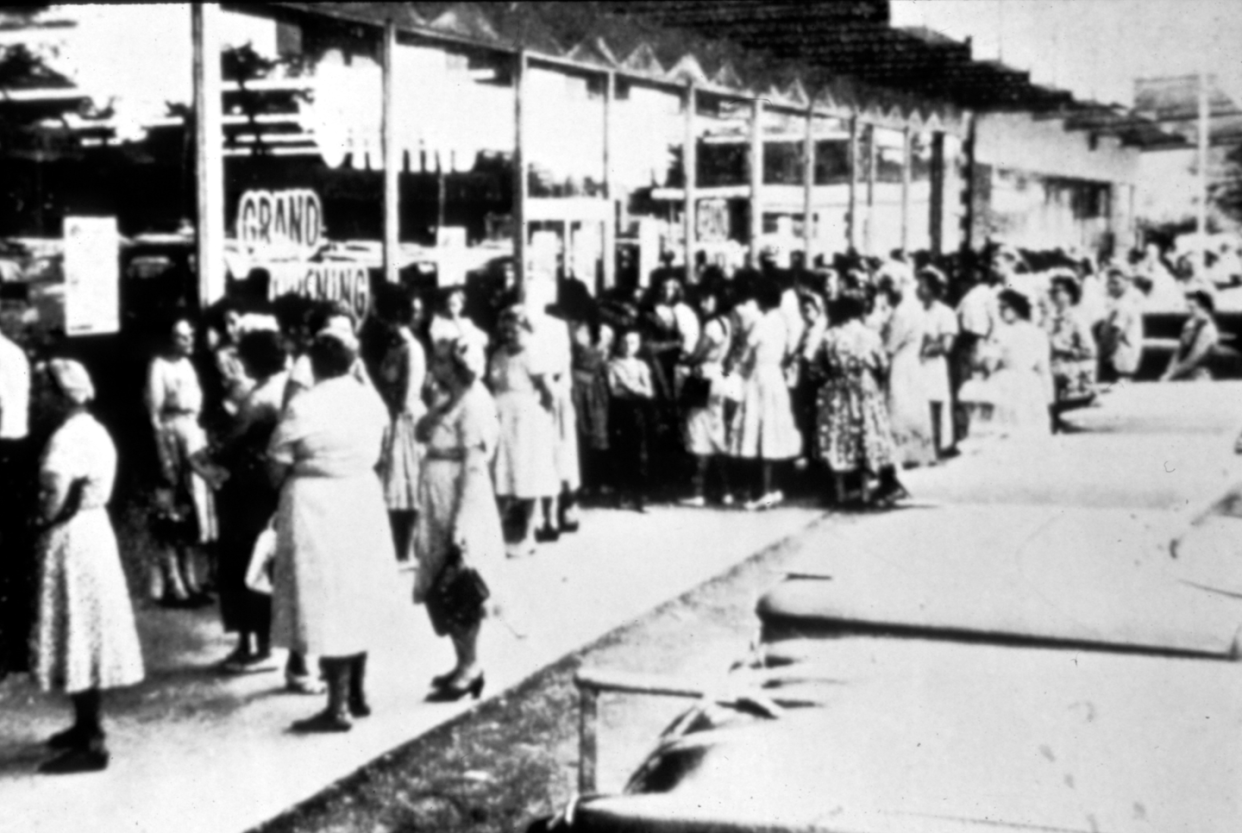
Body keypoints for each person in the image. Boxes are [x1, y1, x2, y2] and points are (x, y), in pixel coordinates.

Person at [267, 331, 397, 732]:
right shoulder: (369, 399)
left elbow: (275, 466)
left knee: (326, 600)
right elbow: (385, 446)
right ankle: (356, 691)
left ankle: (336, 706)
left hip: (316, 504)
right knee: (355, 594)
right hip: (361, 495)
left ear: (315, 364)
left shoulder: (303, 406)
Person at [30, 359, 144, 773]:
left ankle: (92, 740)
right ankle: (84, 723)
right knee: (84, 626)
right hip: (95, 532)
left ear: (61, 396)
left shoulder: (65, 440)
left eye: (44, 392)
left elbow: (54, 495)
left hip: (72, 537)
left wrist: (38, 517)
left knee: (76, 626)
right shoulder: (94, 430)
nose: (38, 399)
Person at [413, 337, 504, 702]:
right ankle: (461, 660)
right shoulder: (450, 398)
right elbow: (421, 432)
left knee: (461, 580)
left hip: (459, 498)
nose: (434, 368)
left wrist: (460, 525)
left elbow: (474, 467)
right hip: (438, 495)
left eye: (440, 362)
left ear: (458, 365)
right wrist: (435, 407)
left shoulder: (476, 402)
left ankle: (471, 666)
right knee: (442, 578)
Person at [193, 330, 288, 674]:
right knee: (263, 561)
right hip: (270, 487)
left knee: (241, 563)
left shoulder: (258, 397)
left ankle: (254, 646)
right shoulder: (287, 386)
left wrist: (204, 453)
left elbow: (231, 441)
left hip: (247, 487)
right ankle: (263, 642)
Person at [145, 317, 216, 607]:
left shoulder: (187, 365)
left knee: (191, 513)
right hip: (172, 438)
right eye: (182, 337)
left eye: (191, 336)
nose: (189, 341)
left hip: (192, 436)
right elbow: (155, 416)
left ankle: (192, 580)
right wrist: (164, 457)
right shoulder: (158, 366)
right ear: (169, 339)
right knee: (171, 514)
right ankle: (174, 584)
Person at [815, 293, 905, 507]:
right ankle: (866, 492)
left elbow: (818, 366)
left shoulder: (830, 335)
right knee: (866, 436)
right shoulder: (870, 335)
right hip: (865, 388)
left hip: (838, 389)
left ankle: (840, 492)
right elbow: (882, 364)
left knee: (839, 436)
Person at [489, 306, 558, 558]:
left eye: (514, 330)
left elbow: (550, 393)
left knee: (528, 476)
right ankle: (494, 535)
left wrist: (538, 417)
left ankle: (529, 535)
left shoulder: (534, 354)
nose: (509, 335)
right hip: (500, 419)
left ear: (526, 329)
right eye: (505, 330)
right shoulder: (498, 354)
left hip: (526, 421)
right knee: (501, 475)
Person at [728, 282, 802, 511]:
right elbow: (790, 350)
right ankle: (773, 488)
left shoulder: (761, 322)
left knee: (757, 432)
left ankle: (762, 491)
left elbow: (745, 355)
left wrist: (728, 371)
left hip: (759, 378)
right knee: (772, 431)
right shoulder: (783, 321)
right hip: (775, 377)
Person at [373, 286, 427, 564]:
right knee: (394, 486)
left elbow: (409, 394)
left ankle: (409, 548)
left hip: (406, 421)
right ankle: (399, 548)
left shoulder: (412, 349)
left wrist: (394, 414)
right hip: (392, 419)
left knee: (407, 484)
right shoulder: (394, 347)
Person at [962, 290, 1054, 441]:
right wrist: (1048, 398)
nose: (1000, 311)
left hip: (1007, 383)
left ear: (1016, 308)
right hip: (1032, 385)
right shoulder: (1038, 333)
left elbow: (989, 365)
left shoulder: (1002, 332)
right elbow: (1044, 369)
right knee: (1029, 429)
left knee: (1005, 428)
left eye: (1003, 307)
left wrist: (982, 351)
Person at [679, 285, 734, 506]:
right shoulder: (726, 323)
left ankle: (697, 491)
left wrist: (685, 359)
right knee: (716, 431)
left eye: (707, 299)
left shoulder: (712, 325)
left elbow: (699, 352)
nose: (703, 304)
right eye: (700, 300)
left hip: (704, 376)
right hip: (719, 375)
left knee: (697, 431)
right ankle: (725, 490)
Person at [0, 326, 32, 677]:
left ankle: (9, 650)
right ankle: (17, 647)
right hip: (15, 453)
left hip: (4, 452)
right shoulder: (15, 351)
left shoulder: (6, 353)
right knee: (12, 552)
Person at [606, 329, 655, 511]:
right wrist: (637, 388)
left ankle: (639, 495)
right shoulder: (612, 364)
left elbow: (649, 391)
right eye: (625, 342)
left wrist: (627, 384)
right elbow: (613, 390)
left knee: (640, 452)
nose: (628, 346)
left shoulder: (641, 365)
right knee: (620, 451)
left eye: (633, 343)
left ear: (639, 345)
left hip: (637, 411)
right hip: (619, 410)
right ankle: (621, 493)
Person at [916, 267, 959, 458]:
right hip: (917, 365)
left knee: (934, 403)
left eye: (924, 285)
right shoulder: (917, 311)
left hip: (933, 365)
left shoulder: (945, 313)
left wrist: (923, 349)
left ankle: (937, 447)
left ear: (934, 288)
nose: (919, 289)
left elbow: (946, 345)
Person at [1045, 273, 1098, 426]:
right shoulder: (1049, 318)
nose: (1053, 294)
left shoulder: (1076, 319)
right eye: (1052, 291)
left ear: (1069, 295)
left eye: (1058, 291)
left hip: (1070, 367)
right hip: (1052, 363)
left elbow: (1090, 350)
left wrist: (1064, 350)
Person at [570, 319, 611, 498]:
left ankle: (598, 481)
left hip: (594, 395)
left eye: (584, 332)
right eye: (578, 332)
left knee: (597, 435)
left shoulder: (598, 351)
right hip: (577, 393)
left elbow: (602, 372)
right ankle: (585, 482)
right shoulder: (572, 352)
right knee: (580, 436)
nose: (580, 335)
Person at [1096, 266, 1144, 385]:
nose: (1111, 286)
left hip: (1119, 362)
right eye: (1109, 282)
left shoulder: (1124, 305)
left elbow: (1115, 334)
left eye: (1116, 283)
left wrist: (1103, 356)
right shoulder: (1118, 303)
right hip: (1119, 360)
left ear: (1128, 282)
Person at [1161, 290, 1219, 382]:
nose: (1188, 311)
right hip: (1182, 370)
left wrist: (1171, 374)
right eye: (1188, 308)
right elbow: (1179, 351)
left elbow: (1193, 359)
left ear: (1204, 309)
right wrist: (1169, 370)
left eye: (1192, 308)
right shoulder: (1190, 324)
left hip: (1199, 373)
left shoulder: (1208, 330)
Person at [429, 286, 489, 352]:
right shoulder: (438, 321)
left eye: (454, 305)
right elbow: (437, 343)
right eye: (449, 304)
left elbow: (484, 339)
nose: (451, 308)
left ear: (462, 306)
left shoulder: (466, 322)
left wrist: (468, 340)